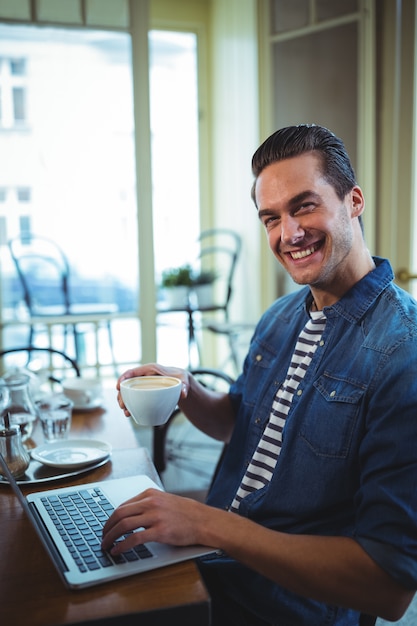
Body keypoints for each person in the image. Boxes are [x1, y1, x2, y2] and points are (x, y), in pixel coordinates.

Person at [101, 125, 417, 625]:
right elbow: (242, 424)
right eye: (271, 217)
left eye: (305, 206)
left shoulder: (404, 352)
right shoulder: (280, 317)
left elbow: (388, 584)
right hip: (211, 566)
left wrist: (208, 525)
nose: (288, 234)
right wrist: (188, 389)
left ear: (353, 201)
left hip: (281, 607)